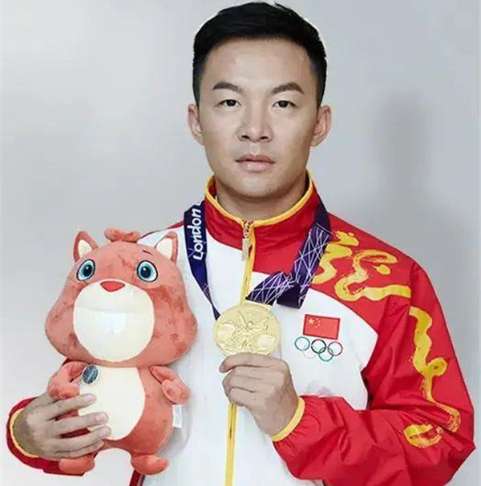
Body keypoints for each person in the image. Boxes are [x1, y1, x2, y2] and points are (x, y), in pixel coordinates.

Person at [5, 2, 475, 486]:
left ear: (319, 123)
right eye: (230, 102)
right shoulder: (141, 266)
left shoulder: (386, 280)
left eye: (283, 104)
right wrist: (29, 432)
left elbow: (441, 440)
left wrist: (299, 420)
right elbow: (81, 393)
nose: (255, 129)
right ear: (196, 120)